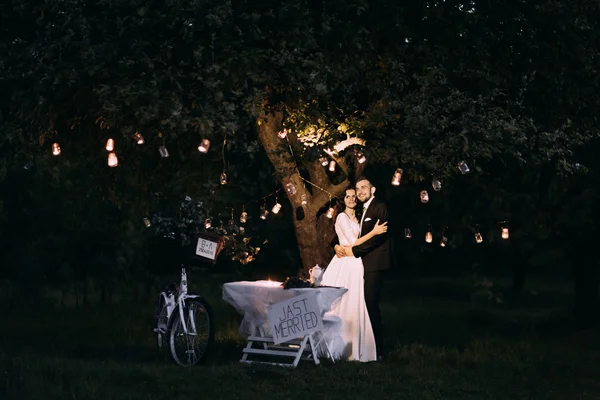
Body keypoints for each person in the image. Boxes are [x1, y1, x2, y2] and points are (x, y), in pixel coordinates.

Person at [320, 187, 387, 362]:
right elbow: (352, 242)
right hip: (346, 263)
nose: (351, 199)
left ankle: (356, 344)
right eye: (347, 196)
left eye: (353, 196)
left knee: (356, 302)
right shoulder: (341, 217)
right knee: (343, 301)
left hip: (356, 263)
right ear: (343, 200)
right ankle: (336, 345)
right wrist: (374, 232)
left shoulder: (356, 218)